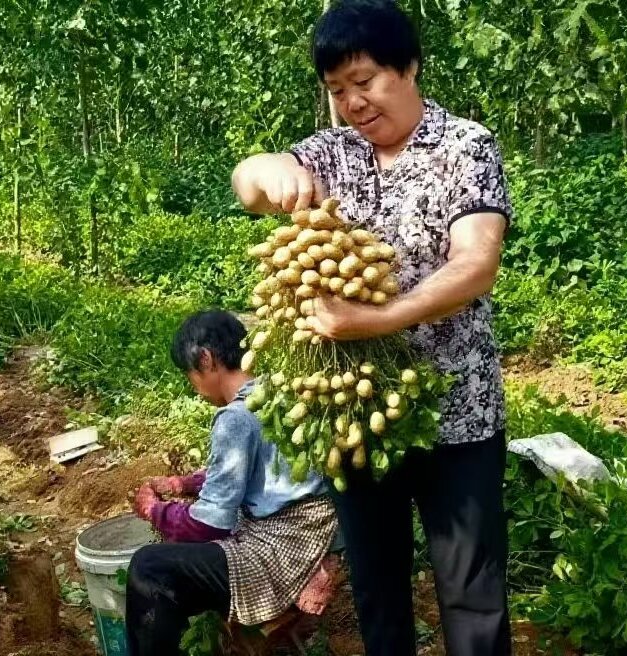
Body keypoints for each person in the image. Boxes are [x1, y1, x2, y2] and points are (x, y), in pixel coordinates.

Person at [230, 1, 513, 655]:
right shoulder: (329, 154)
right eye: (337, 91)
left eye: (365, 82)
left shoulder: (463, 146)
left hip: (457, 416)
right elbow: (250, 186)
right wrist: (263, 166)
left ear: (409, 66)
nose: (353, 103)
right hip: (350, 415)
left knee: (473, 598)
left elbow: (476, 262)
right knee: (379, 595)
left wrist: (375, 321)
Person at [125, 310, 338, 656]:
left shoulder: (235, 417)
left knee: (150, 567)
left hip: (280, 550)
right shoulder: (277, 393)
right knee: (168, 575)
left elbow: (211, 524)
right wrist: (185, 483)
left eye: (190, 374)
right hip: (312, 532)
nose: (194, 387)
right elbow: (260, 469)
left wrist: (156, 512)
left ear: (206, 359)